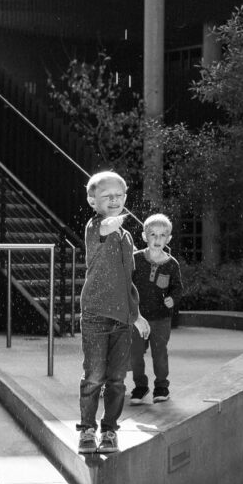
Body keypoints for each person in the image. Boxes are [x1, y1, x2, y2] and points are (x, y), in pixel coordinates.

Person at [77, 171, 150, 455]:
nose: (114, 200)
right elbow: (106, 227)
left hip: (121, 318)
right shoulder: (95, 228)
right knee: (94, 376)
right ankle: (86, 430)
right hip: (95, 314)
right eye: (107, 196)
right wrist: (112, 222)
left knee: (117, 379)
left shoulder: (127, 236)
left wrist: (137, 315)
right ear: (92, 200)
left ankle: (109, 429)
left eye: (119, 196)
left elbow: (127, 280)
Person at [130, 213, 183, 404]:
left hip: (161, 318)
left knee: (159, 353)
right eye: (153, 234)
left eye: (162, 235)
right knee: (135, 354)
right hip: (138, 318)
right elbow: (127, 284)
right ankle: (140, 386)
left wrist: (172, 298)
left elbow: (177, 288)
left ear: (168, 239)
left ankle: (161, 387)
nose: (157, 239)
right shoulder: (135, 259)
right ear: (145, 237)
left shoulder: (171, 264)